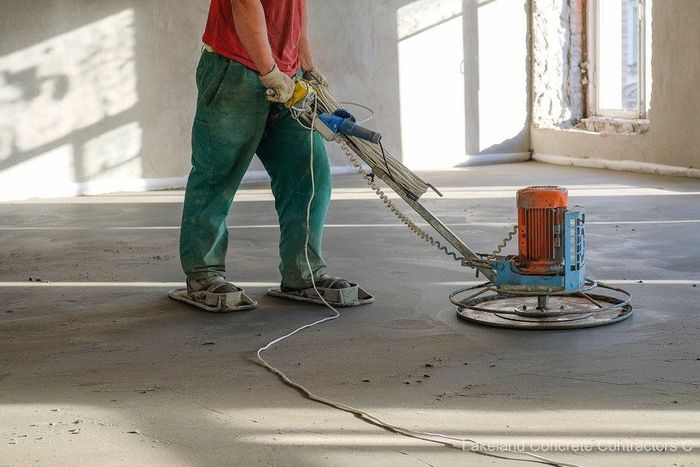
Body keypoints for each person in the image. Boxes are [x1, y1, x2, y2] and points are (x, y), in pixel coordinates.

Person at [171, 0, 373, 312]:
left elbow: (296, 11)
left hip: (290, 79)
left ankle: (304, 274)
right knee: (217, 175)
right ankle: (203, 274)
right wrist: (269, 72)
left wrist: (308, 68)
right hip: (234, 71)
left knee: (309, 173)